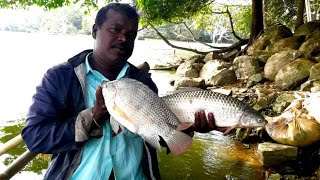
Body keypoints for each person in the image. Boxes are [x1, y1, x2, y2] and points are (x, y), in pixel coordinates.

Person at [21, 2, 220, 180]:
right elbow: (34, 138)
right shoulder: (60, 78)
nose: (124, 38)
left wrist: (191, 127)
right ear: (95, 31)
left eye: (131, 34)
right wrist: (93, 117)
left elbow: (162, 137)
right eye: (115, 29)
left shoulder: (143, 82)